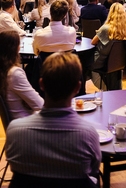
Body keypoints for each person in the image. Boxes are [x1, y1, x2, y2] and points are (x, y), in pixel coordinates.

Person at [5, 52, 101, 184]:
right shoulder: (88, 135)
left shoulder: (14, 131)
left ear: (41, 84)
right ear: (78, 88)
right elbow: (93, 170)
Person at [0, 30, 43, 119]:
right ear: (16, 48)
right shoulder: (15, 74)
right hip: (24, 121)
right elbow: (40, 105)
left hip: (12, 120)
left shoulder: (4, 70)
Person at [91, 3, 126, 90]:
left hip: (101, 62)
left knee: (84, 64)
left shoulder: (106, 28)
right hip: (117, 63)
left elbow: (93, 42)